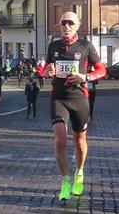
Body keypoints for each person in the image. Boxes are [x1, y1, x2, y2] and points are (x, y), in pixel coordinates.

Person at [38, 11, 106, 200]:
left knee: (80, 142)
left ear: (77, 26)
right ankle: (65, 181)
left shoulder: (85, 46)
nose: (66, 26)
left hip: (79, 99)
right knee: (60, 139)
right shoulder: (54, 45)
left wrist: (86, 77)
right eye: (63, 23)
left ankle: (79, 172)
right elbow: (45, 69)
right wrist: (46, 72)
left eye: (70, 23)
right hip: (58, 98)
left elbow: (102, 69)